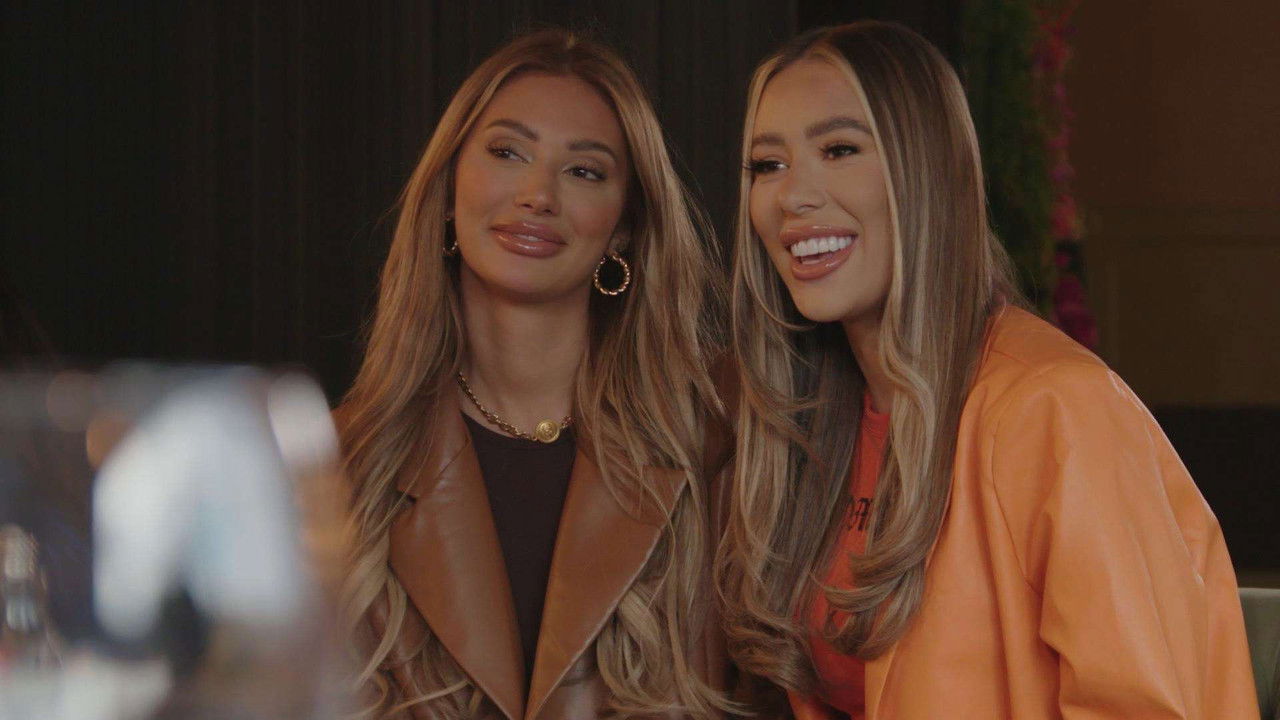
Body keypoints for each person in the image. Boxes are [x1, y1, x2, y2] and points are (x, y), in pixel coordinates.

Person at [717, 21, 1259, 719]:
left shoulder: (1053, 406)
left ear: (930, 174)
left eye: (840, 149)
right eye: (768, 164)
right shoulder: (805, 422)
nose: (793, 196)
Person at [335, 28, 727, 720]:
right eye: (508, 152)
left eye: (585, 172)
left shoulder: (716, 448)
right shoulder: (338, 465)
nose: (537, 194)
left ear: (625, 227)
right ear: (450, 189)